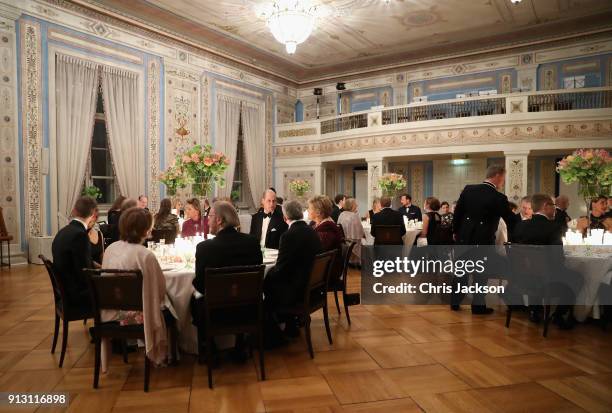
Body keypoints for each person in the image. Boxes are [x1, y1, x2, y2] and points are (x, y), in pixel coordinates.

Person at [102, 207, 169, 366]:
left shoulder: (111, 249)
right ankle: (171, 354)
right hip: (136, 316)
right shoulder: (145, 255)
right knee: (172, 308)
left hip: (108, 312)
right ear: (146, 230)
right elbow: (159, 290)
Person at [512, 194, 582, 329]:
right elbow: (559, 259)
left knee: (536, 271)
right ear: (545, 206)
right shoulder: (554, 227)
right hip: (547, 279)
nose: (555, 209)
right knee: (578, 277)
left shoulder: (521, 226)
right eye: (553, 206)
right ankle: (559, 315)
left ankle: (534, 310)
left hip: (523, 277)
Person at [452, 164, 515, 314]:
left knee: (461, 271)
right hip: (483, 240)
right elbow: (510, 220)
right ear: (498, 176)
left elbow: (458, 213)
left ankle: (455, 302)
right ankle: (478, 306)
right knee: (481, 274)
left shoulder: (469, 189)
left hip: (464, 238)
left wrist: (456, 231)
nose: (503, 182)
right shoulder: (498, 197)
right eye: (503, 178)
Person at [193, 201, 262, 294]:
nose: (208, 221)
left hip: (216, 306)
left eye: (210, 216)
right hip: (248, 304)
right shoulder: (253, 242)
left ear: (219, 220)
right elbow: (258, 279)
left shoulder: (204, 248)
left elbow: (200, 286)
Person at [264, 200, 323, 309]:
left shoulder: (288, 236)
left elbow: (280, 270)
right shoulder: (312, 231)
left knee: (265, 283)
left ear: (285, 217)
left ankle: (273, 322)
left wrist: (264, 276)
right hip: (313, 287)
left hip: (296, 290)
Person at [51, 196, 98, 312]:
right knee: (116, 291)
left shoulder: (63, 231)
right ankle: (106, 327)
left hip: (65, 291)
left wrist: (95, 265)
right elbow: (85, 272)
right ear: (93, 215)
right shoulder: (80, 235)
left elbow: (75, 261)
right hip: (77, 296)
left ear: (75, 211)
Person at [337, 198, 365, 265]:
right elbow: (360, 232)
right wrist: (364, 235)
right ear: (352, 206)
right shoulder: (354, 216)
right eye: (355, 204)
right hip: (352, 242)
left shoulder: (342, 214)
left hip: (344, 241)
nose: (357, 205)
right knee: (366, 241)